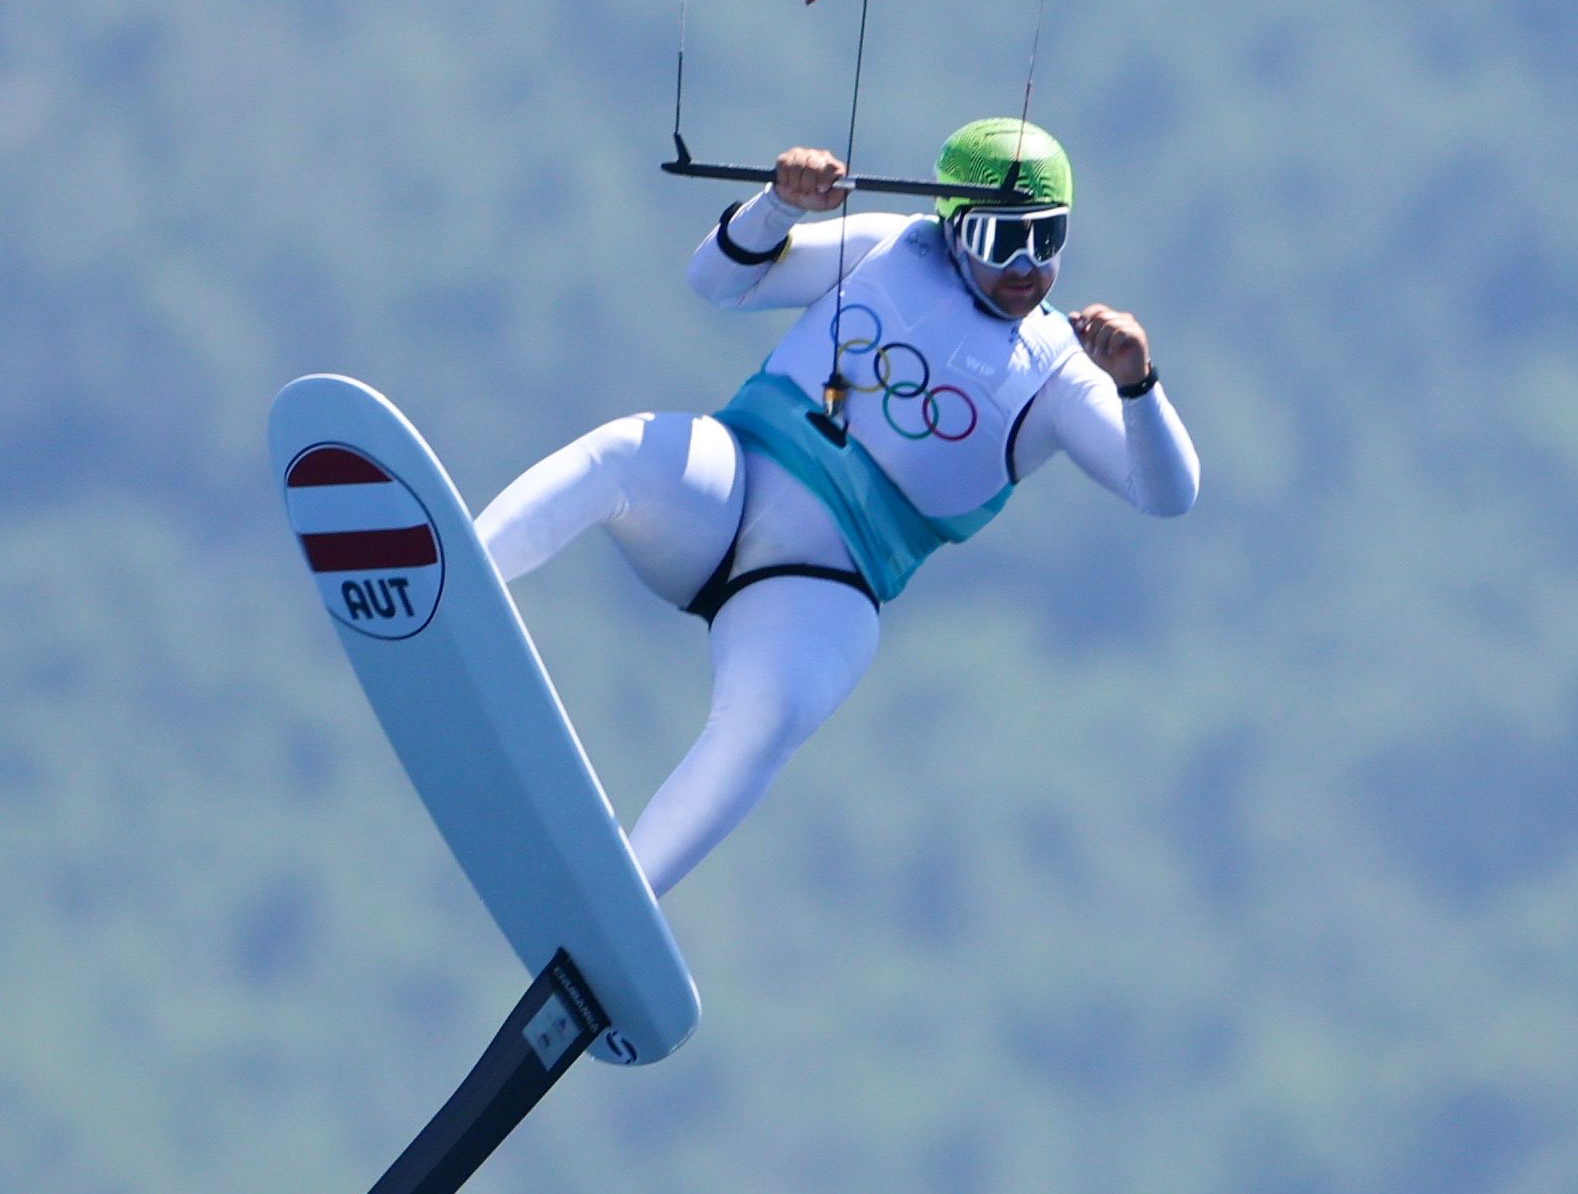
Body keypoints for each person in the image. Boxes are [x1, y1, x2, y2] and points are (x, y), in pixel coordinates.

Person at [475, 118, 1201, 896]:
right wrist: (778, 206)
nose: (1026, 267)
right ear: (954, 226)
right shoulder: (893, 247)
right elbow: (716, 281)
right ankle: (461, 569)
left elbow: (1167, 493)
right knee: (623, 452)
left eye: (1046, 238)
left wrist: (1137, 384)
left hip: (819, 587)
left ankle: (620, 899)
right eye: (1001, 240)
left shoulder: (1063, 373)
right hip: (725, 490)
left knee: (770, 715)